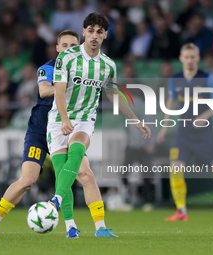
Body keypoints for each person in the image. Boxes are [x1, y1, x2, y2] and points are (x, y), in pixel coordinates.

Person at [0, 29, 121, 238]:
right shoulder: (48, 67)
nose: (69, 50)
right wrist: (67, 86)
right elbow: (44, 90)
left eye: (74, 46)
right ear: (57, 49)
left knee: (85, 174)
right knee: (27, 180)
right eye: (65, 46)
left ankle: (96, 228)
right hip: (40, 129)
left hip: (68, 128)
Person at [46, 13, 151, 237]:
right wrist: (64, 119)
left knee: (76, 152)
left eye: (100, 31)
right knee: (78, 174)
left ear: (105, 35)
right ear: (84, 32)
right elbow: (59, 90)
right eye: (91, 30)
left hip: (85, 119)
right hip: (58, 120)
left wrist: (135, 120)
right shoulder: (67, 58)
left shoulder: (108, 65)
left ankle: (55, 202)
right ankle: (71, 226)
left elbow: (114, 96)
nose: (95, 35)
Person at [156, 43, 213, 222]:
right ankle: (181, 210)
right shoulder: (175, 80)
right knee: (175, 168)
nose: (189, 60)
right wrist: (164, 127)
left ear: (198, 59)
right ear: (181, 59)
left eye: (192, 57)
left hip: (205, 134)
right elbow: (171, 103)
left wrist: (205, 115)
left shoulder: (206, 78)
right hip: (183, 133)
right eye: (186, 57)